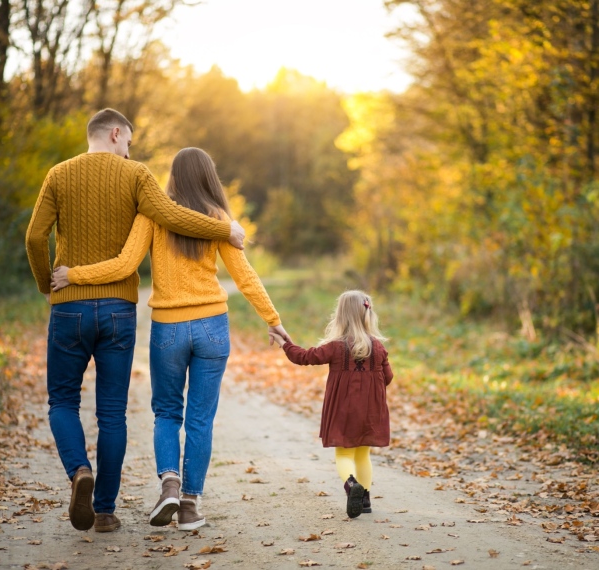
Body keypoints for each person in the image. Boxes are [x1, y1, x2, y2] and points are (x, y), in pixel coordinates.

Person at [25, 110, 248, 534]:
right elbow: (174, 216)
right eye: (127, 141)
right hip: (118, 310)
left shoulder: (58, 174)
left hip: (69, 306)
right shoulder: (135, 175)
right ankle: (105, 510)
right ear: (114, 134)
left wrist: (46, 286)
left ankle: (78, 471)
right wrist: (225, 229)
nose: (129, 150)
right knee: (112, 413)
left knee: (62, 401)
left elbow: (35, 238)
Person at [50, 147, 291, 530]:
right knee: (200, 419)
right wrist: (272, 320)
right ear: (209, 178)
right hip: (213, 326)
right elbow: (245, 275)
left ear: (173, 178)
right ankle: (191, 506)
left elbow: (125, 265)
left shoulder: (153, 215)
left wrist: (73, 274)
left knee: (166, 412)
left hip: (168, 328)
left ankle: (170, 485)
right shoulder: (219, 220)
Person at [269, 290, 393, 518]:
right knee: (363, 455)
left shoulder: (335, 347)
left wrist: (284, 342)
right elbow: (388, 378)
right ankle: (365, 499)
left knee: (344, 455)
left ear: (341, 316)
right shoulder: (378, 348)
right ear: (368, 314)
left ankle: (350, 485)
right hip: (370, 411)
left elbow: (304, 357)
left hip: (344, 409)